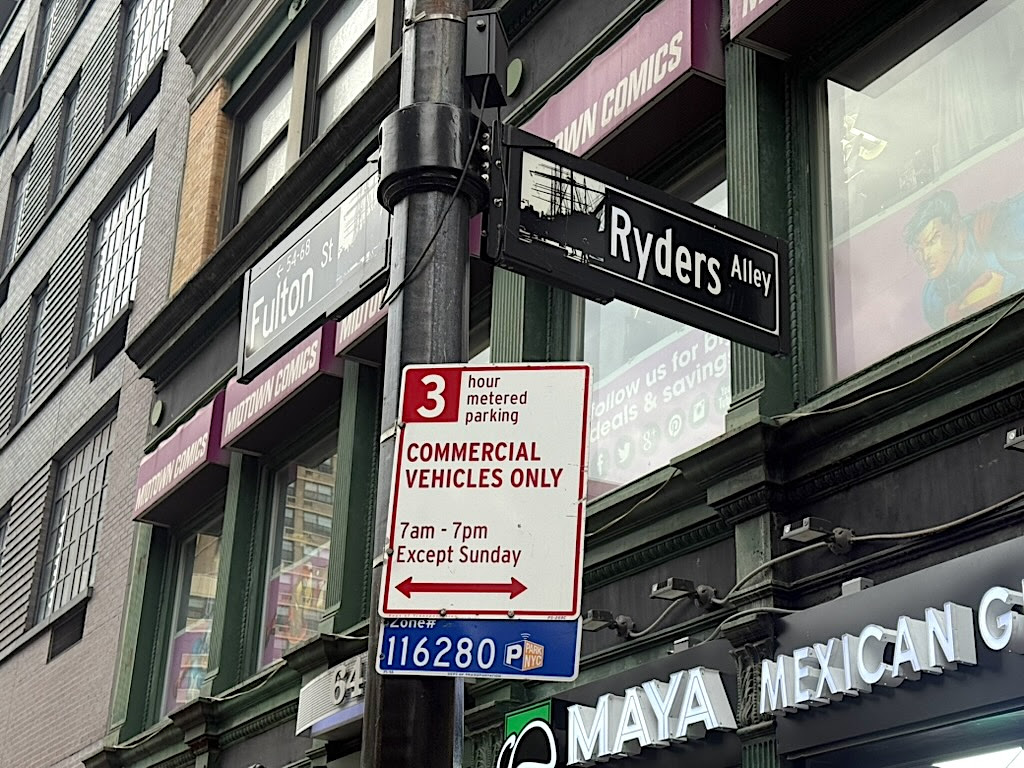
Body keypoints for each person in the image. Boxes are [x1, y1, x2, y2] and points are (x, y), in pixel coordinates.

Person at [904, 190, 1024, 329]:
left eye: (932, 240)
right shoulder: (933, 299)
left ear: (954, 222)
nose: (925, 256)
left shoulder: (999, 228)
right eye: (918, 250)